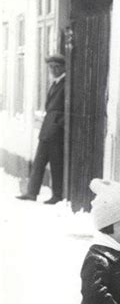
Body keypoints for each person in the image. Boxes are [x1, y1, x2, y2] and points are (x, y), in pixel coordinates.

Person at [16, 54, 66, 204]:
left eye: (56, 67)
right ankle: (32, 192)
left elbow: (68, 108)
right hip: (46, 131)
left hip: (56, 132)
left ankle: (57, 195)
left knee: (56, 164)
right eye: (51, 67)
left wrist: (58, 123)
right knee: (38, 162)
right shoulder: (55, 84)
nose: (53, 70)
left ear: (62, 67)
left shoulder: (66, 84)